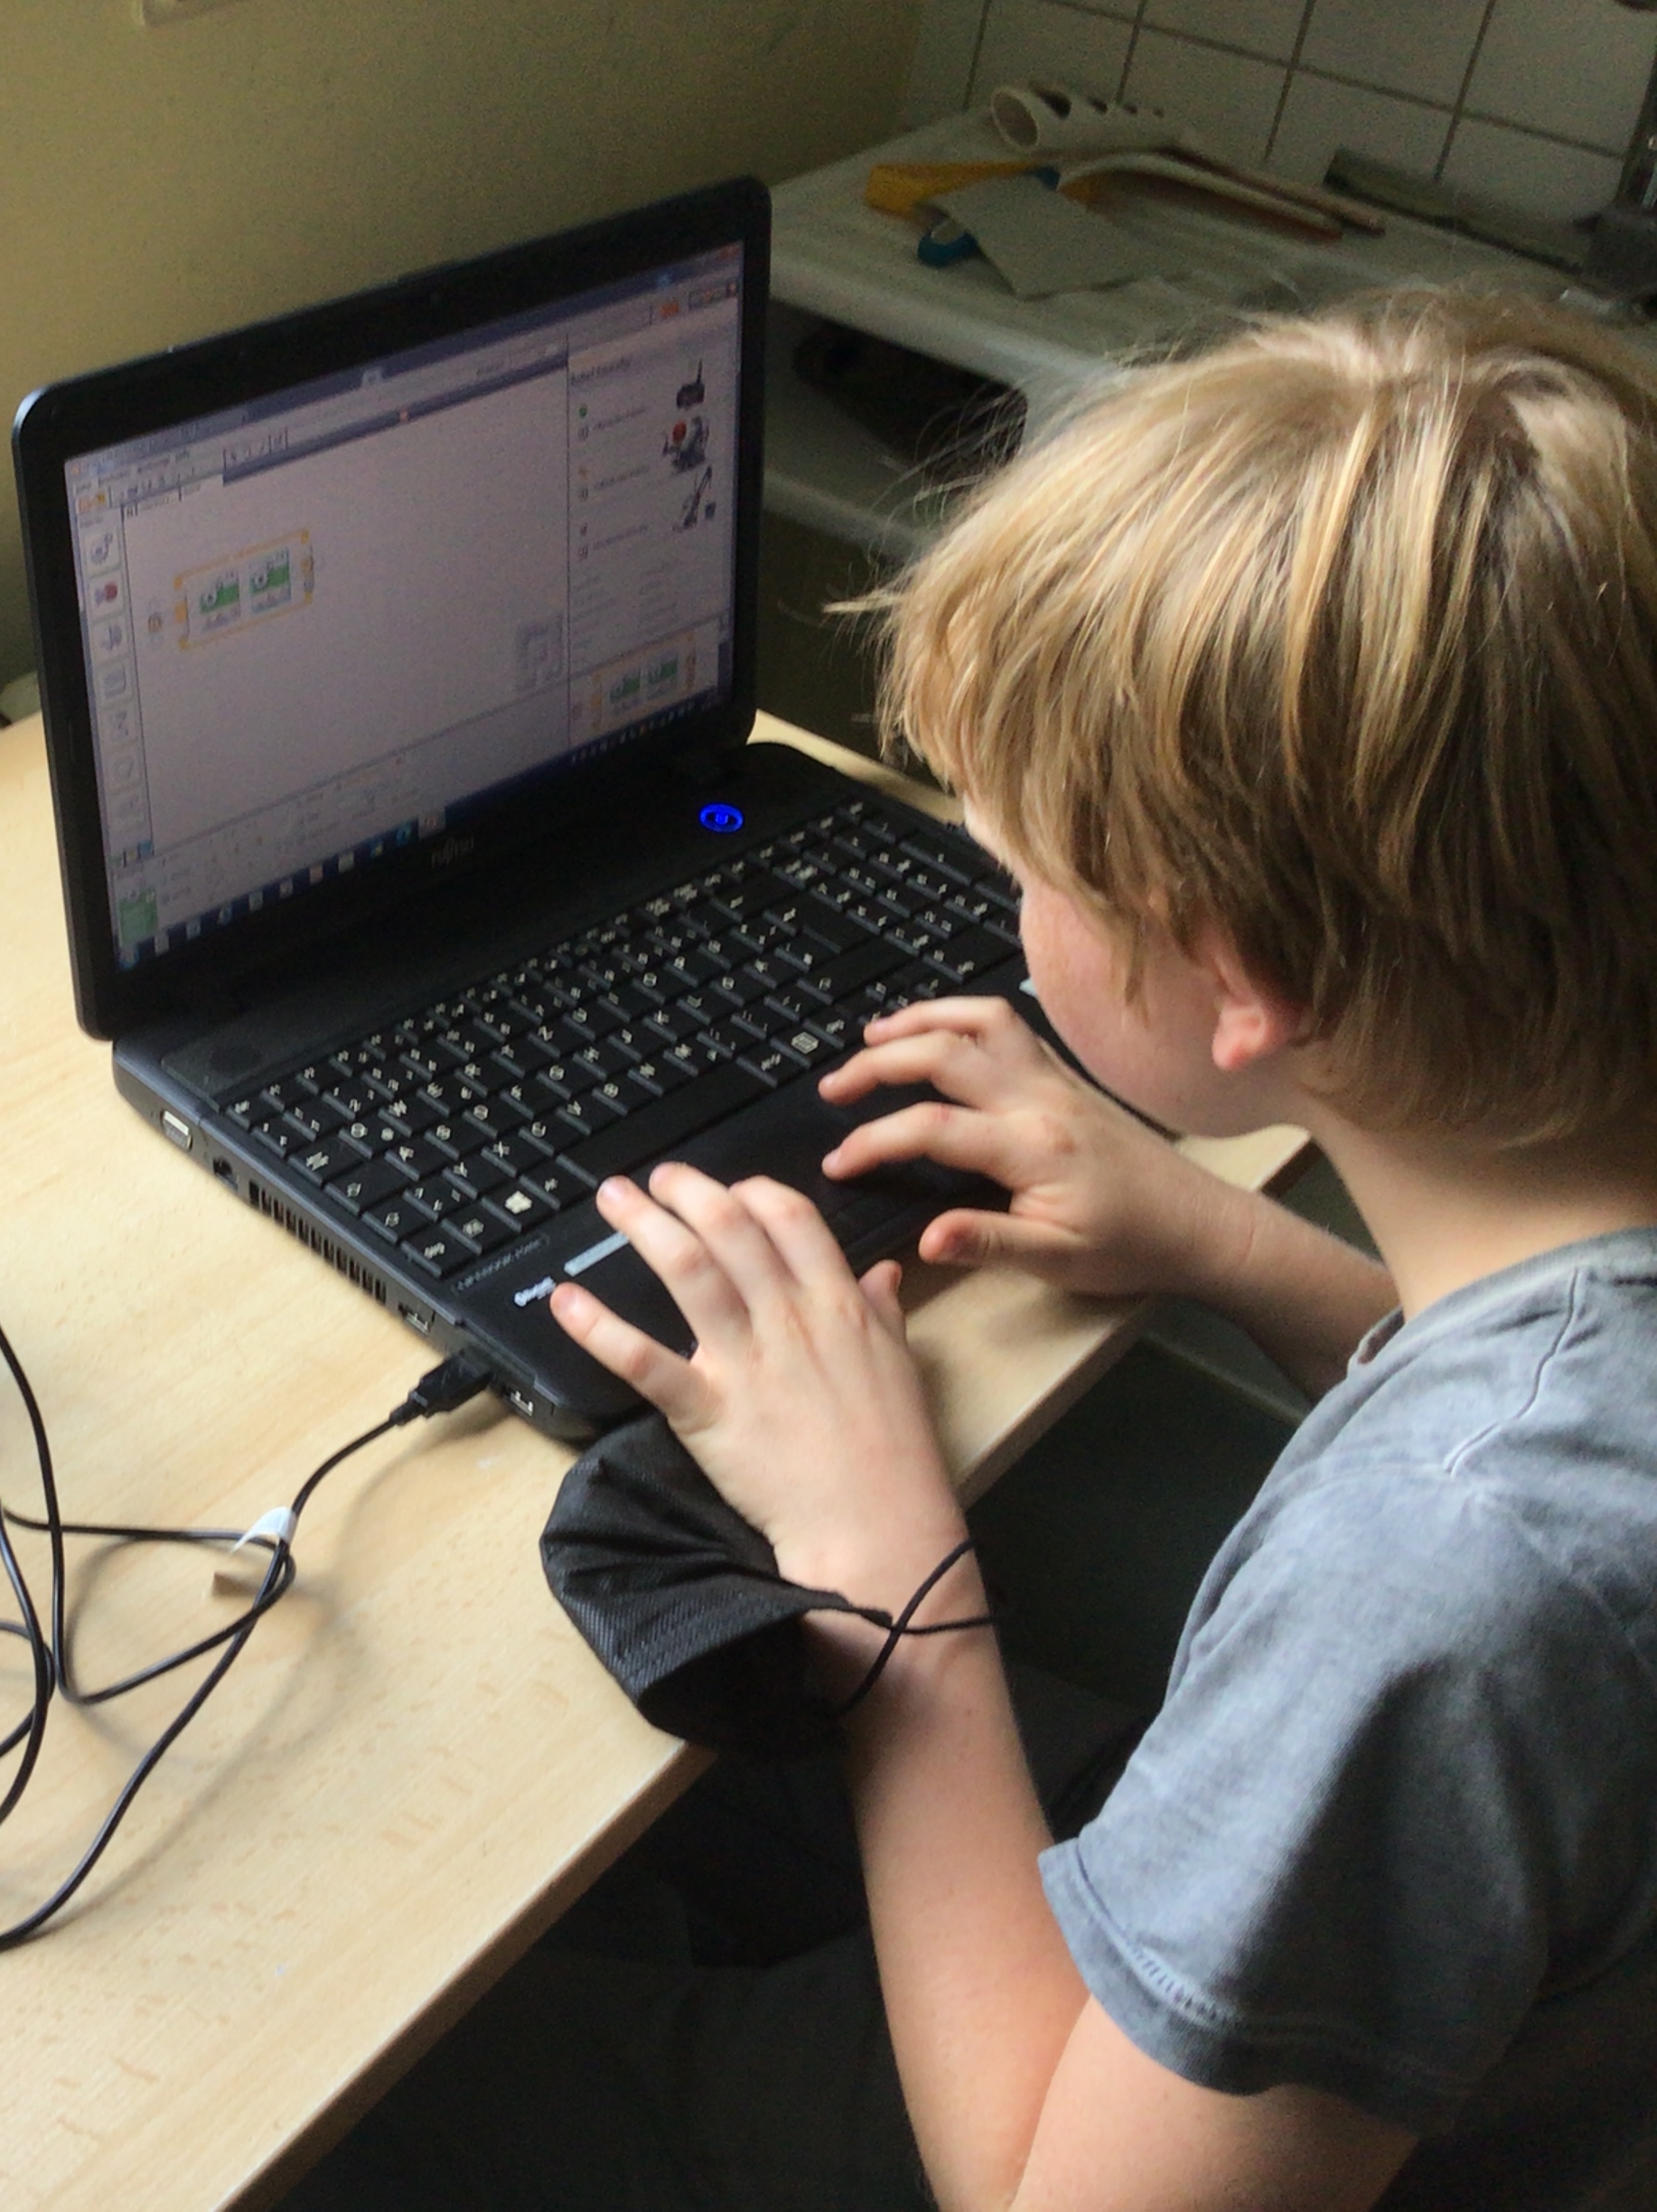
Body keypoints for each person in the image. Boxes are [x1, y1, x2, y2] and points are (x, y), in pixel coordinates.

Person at [292, 289, 1657, 2209]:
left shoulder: (1437, 1591)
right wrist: (1222, 1243)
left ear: (1237, 984)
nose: (999, 898)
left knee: (408, 2073)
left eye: (1022, 870)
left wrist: (884, 1566)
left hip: (1094, 2139)